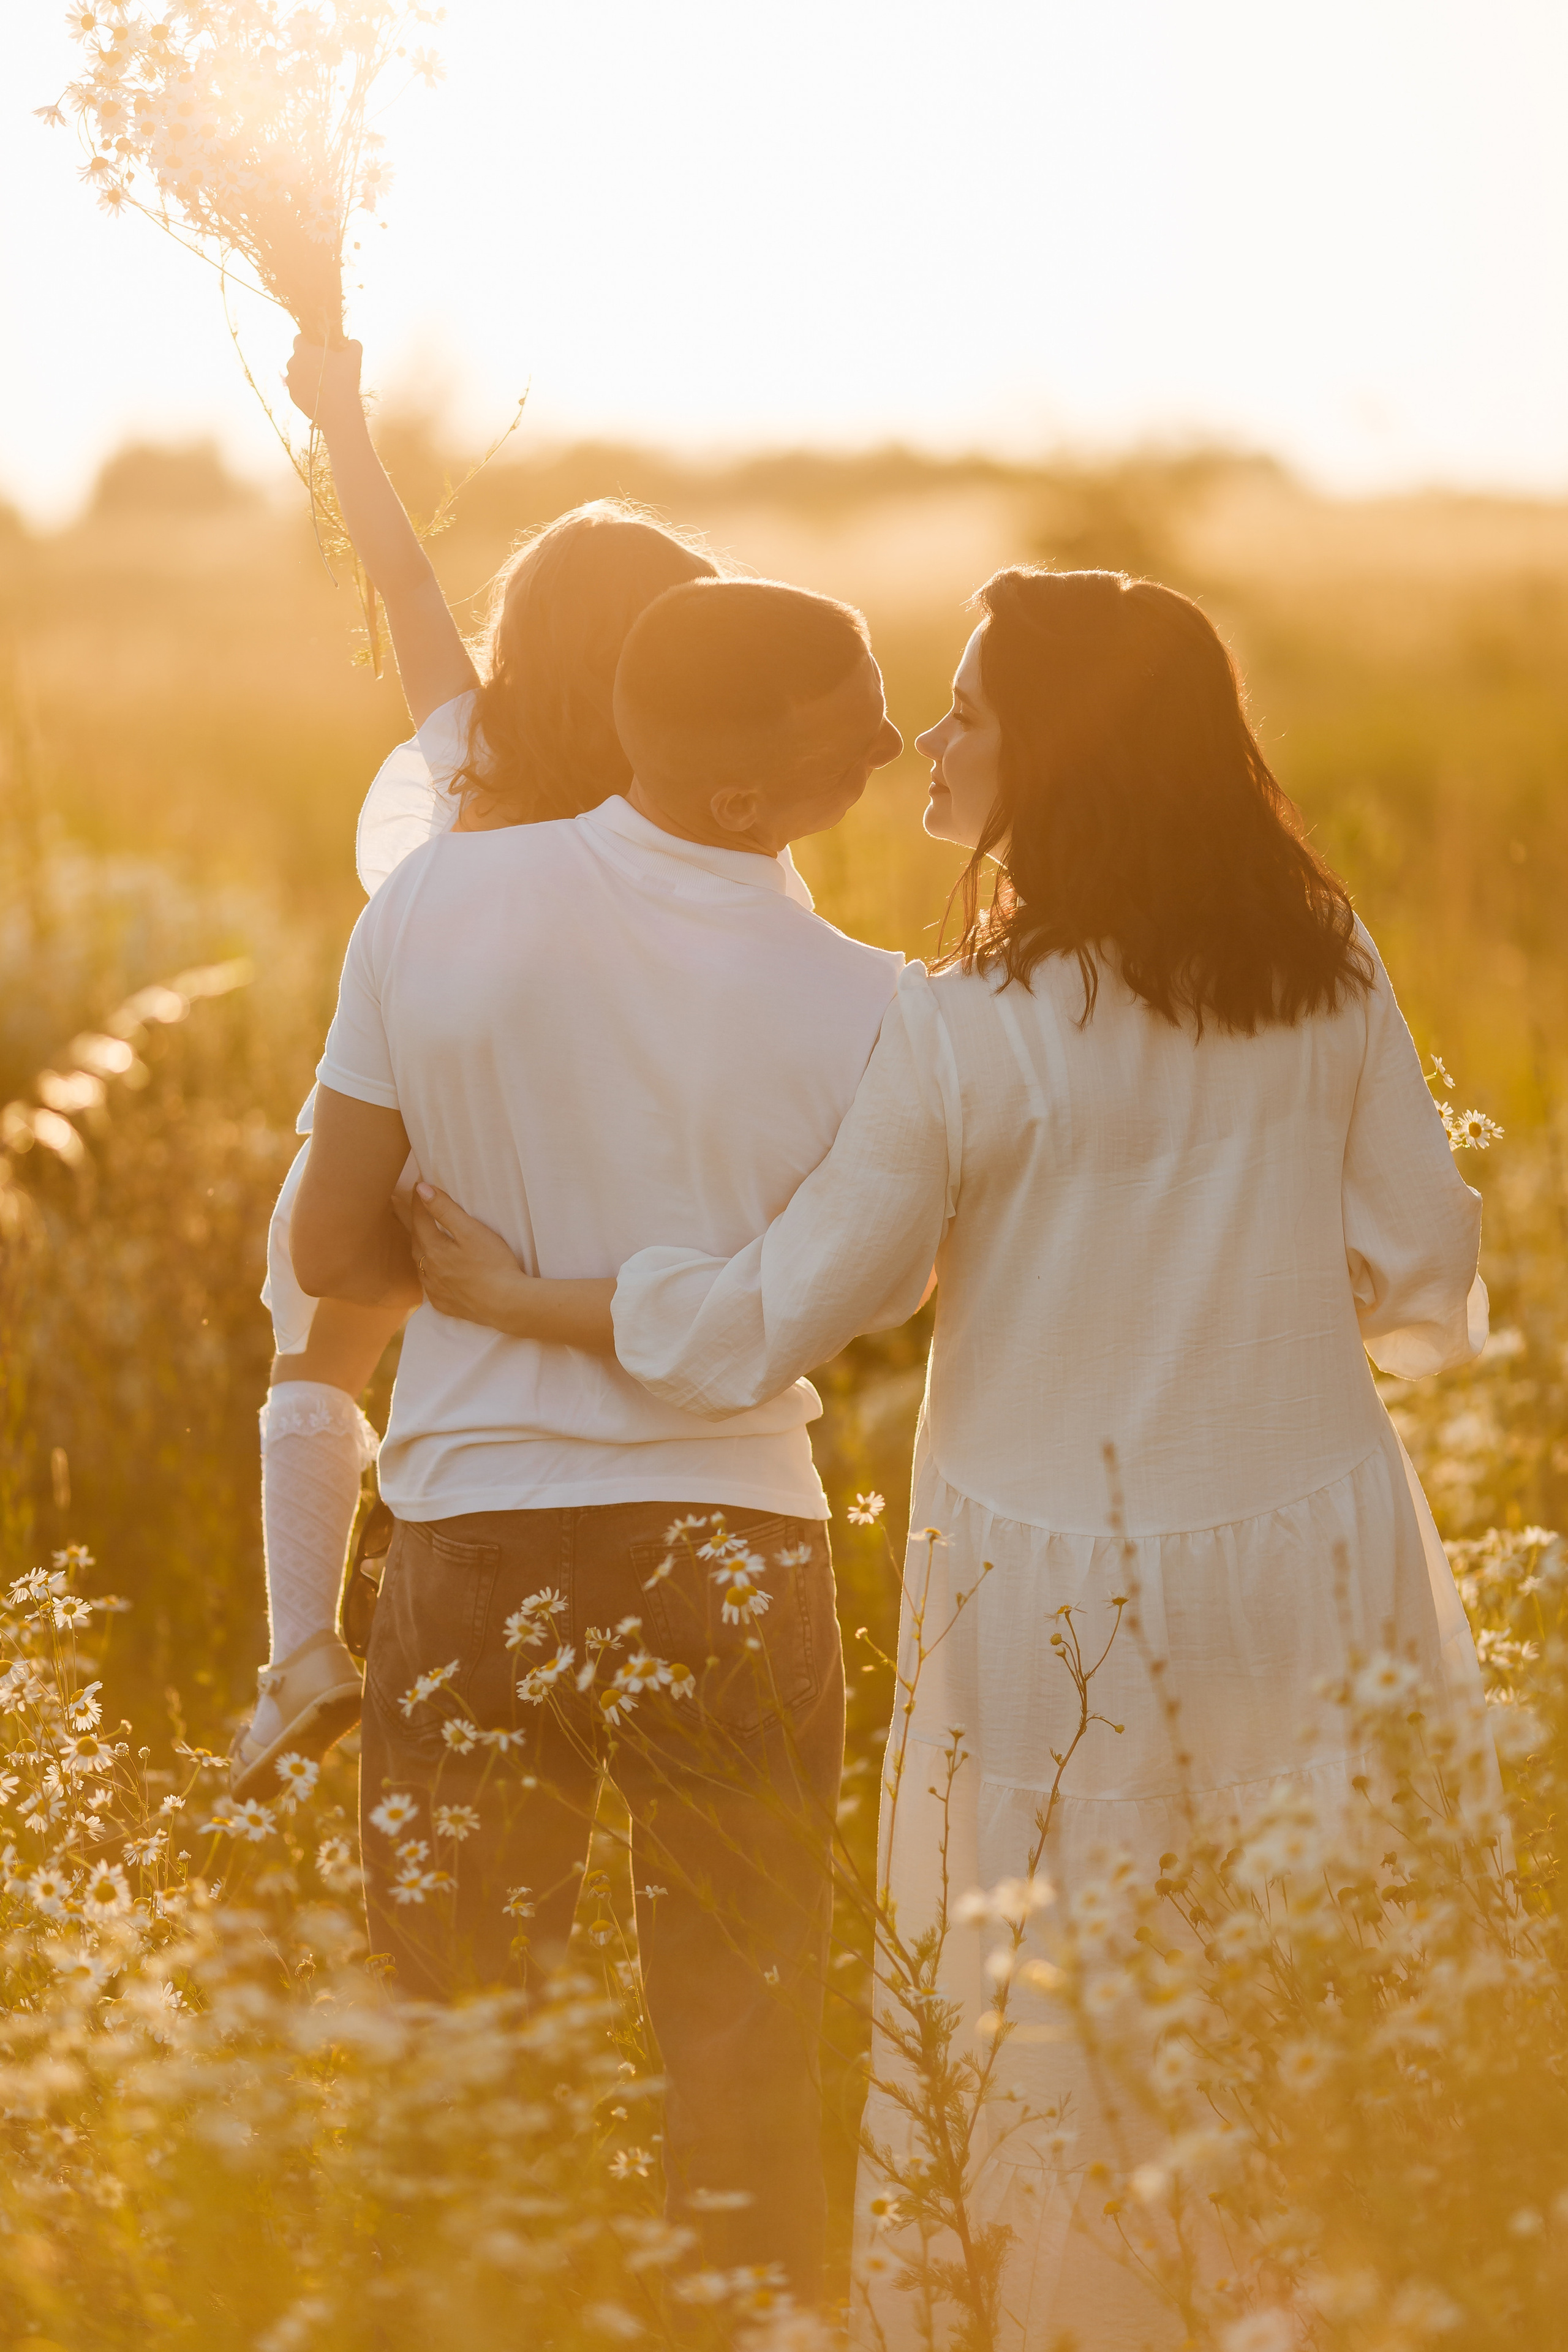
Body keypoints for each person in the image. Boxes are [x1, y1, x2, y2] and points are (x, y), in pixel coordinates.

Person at [415, 566, 1490, 2347]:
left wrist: (521, 1297)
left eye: (969, 712)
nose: (929, 735)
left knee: (1063, 2023)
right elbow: (1422, 1255)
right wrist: (1252, 1306)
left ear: (1056, 759)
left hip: (1050, 1580)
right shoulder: (1323, 957)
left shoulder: (964, 1024)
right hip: (1308, 1541)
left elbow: (776, 1310)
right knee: (1317, 1984)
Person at [289, 572, 905, 2296]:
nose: (890, 752)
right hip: (735, 1543)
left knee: (452, 2042)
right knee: (743, 2044)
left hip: (477, 1533)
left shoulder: (436, 898)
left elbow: (328, 1251)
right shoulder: (876, 1003)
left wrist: (481, 1276)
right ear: (749, 801)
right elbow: (860, 1298)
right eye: (862, 737)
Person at [232, 334, 734, 1798]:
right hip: (572, 1148)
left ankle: (300, 1649)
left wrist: (341, 416)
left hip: (408, 1126)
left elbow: (400, 580)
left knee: (319, 1356)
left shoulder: (473, 752)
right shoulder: (687, 806)